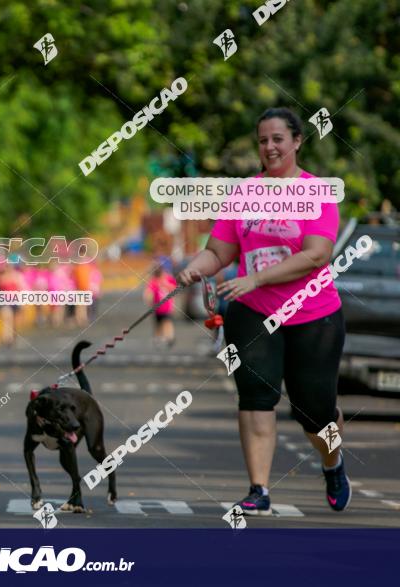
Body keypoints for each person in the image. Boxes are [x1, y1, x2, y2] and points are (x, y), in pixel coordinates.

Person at [177, 107, 350, 515]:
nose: (269, 147)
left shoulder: (315, 192)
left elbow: (316, 255)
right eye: (262, 140)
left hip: (314, 316)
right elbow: (220, 251)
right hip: (252, 312)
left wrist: (256, 277)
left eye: (277, 139)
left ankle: (333, 462)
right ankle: (258, 489)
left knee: (315, 411)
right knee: (255, 397)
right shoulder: (244, 193)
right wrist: (193, 269)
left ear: (296, 141)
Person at [143, 259, 176, 347]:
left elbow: (174, 288)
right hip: (157, 307)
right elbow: (148, 293)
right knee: (158, 323)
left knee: (167, 323)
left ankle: (169, 338)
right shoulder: (153, 281)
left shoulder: (168, 278)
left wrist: (165, 285)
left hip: (167, 307)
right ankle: (158, 338)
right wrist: (149, 301)